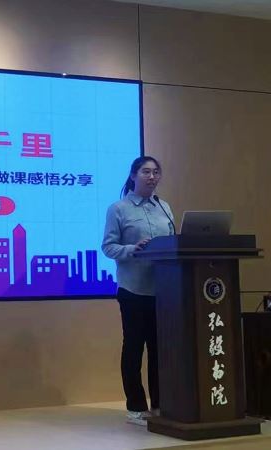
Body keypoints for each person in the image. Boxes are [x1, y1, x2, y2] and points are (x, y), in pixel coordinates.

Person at [101, 156, 175, 426]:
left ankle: (160, 404)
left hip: (164, 291)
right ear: (133, 176)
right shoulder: (118, 209)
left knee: (159, 350)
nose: (152, 176)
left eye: (156, 172)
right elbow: (108, 247)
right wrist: (133, 249)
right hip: (133, 289)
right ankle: (135, 407)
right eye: (146, 172)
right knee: (134, 348)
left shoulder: (164, 207)